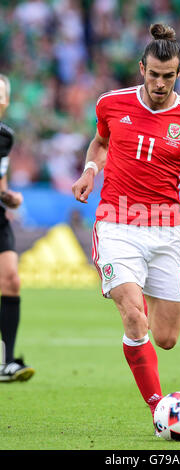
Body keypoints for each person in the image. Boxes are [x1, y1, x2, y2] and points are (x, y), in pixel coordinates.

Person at [72, 24, 180, 431]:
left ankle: (143, 332)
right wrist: (89, 171)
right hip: (116, 222)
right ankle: (160, 410)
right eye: (153, 73)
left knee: (166, 337)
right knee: (133, 316)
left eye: (167, 76)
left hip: (167, 231)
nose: (159, 82)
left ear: (179, 74)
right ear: (142, 68)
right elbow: (100, 143)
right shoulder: (111, 104)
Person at [0, 74, 35, 382]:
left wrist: (10, 197)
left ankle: (8, 362)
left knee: (11, 279)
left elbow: (1, 182)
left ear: (6, 102)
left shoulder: (5, 137)